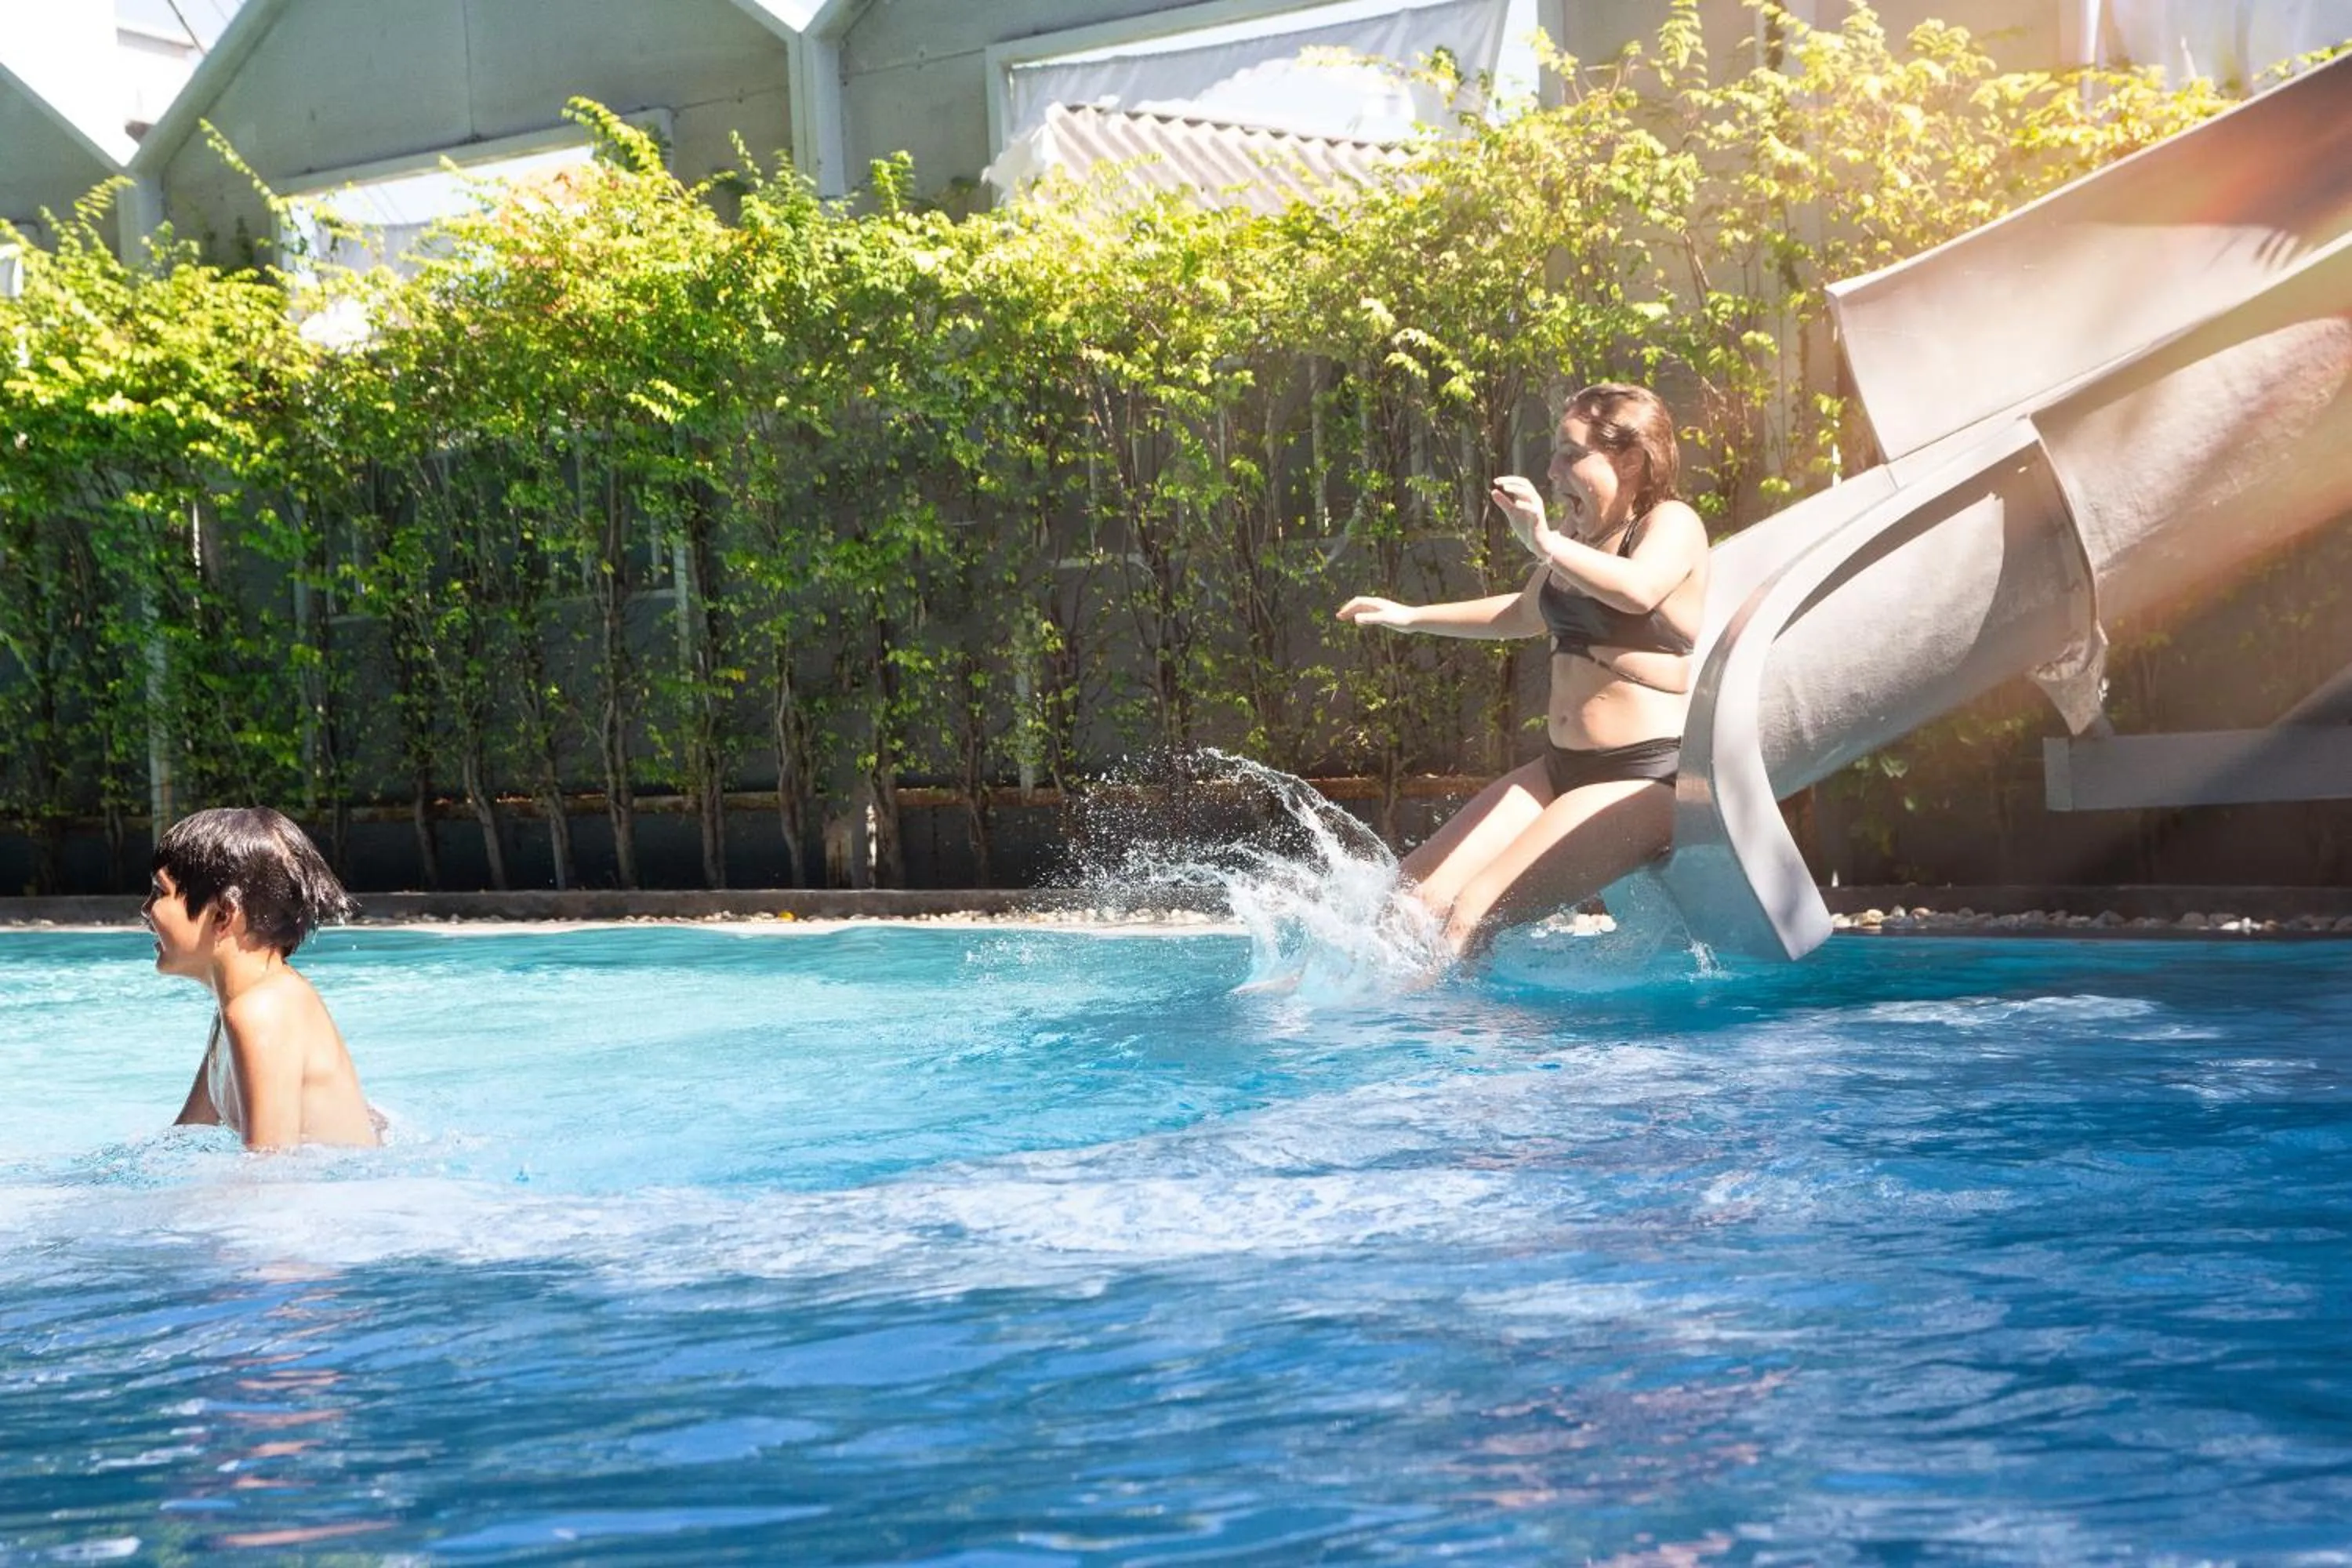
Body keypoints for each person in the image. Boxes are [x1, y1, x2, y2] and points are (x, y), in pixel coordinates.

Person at [1337, 383, 1711, 959]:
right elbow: (1520, 613)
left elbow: (1640, 591)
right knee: (1409, 903)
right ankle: (1375, 1025)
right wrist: (1410, 616)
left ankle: (1455, 1047)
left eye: (1571, 452)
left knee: (1470, 915)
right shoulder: (1579, 541)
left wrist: (1542, 542)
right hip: (1560, 769)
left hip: (1643, 779)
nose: (1552, 469)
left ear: (1630, 459)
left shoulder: (1670, 523)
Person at [142, 806, 379, 1150]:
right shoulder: (237, 1006)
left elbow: (268, 1173)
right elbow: (187, 1133)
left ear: (224, 914)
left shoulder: (260, 1011)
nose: (146, 910)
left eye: (160, 892)